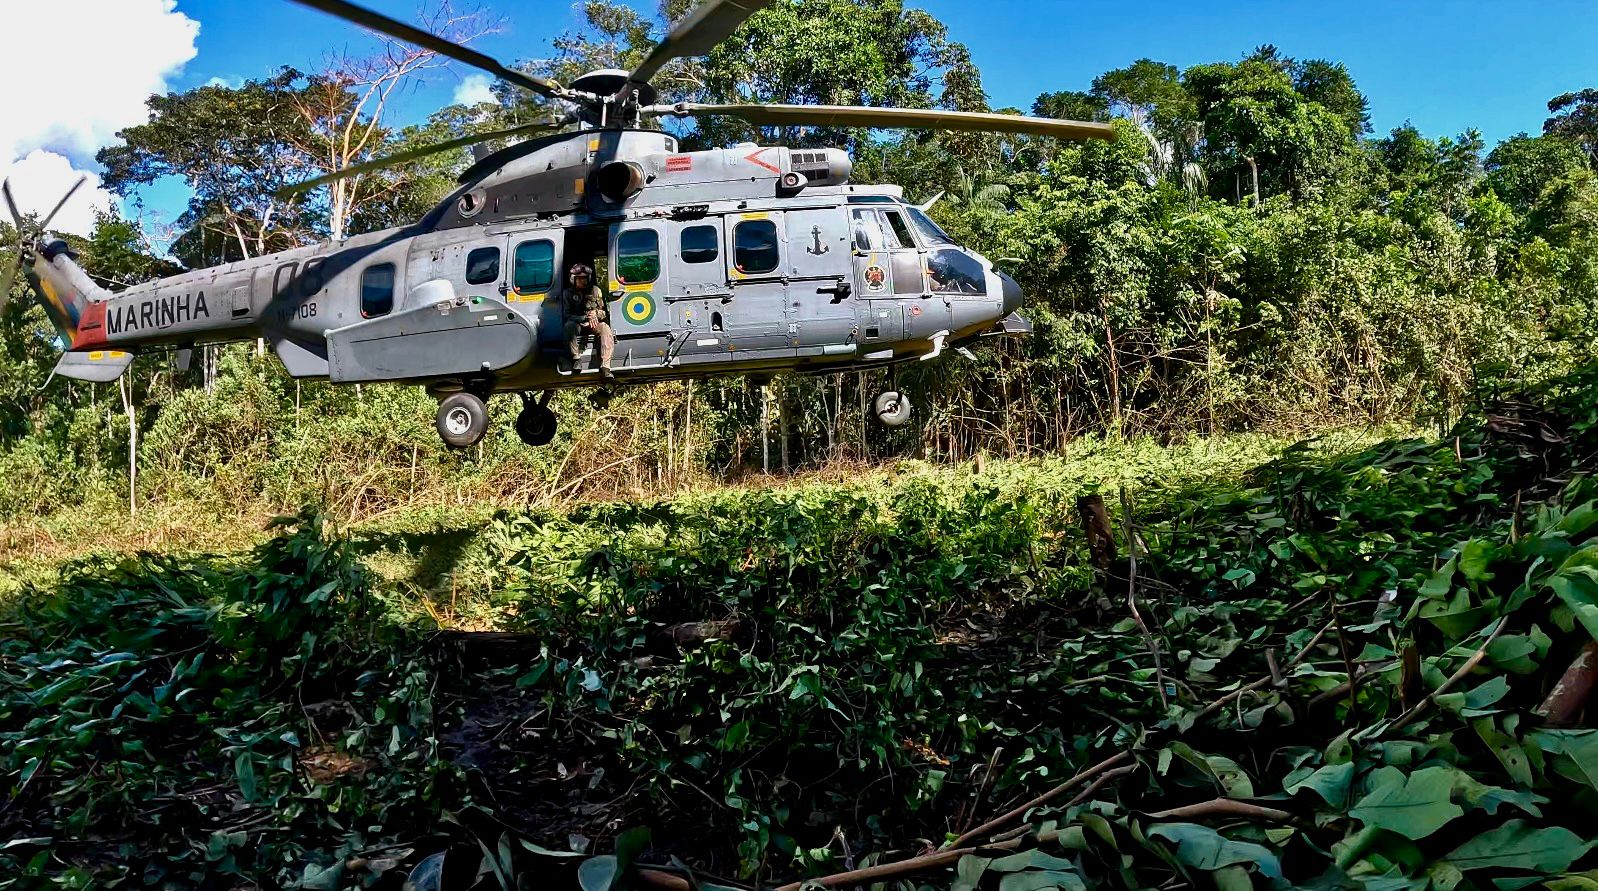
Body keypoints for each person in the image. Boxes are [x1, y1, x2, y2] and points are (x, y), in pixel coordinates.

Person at [562, 263, 614, 379]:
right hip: (577, 324)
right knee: (569, 326)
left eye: (585, 278)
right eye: (580, 279)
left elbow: (604, 312)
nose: (583, 281)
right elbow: (567, 315)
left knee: (605, 327)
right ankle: (576, 359)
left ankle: (605, 367)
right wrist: (584, 318)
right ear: (573, 279)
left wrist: (595, 313)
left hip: (593, 324)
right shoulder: (567, 293)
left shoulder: (596, 290)